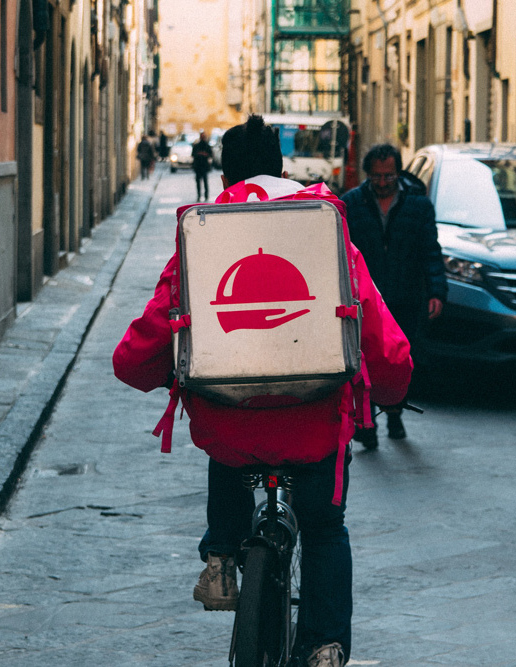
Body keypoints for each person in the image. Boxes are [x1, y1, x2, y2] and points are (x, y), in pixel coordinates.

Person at [112, 116, 412, 667]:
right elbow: (376, 329)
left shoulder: (203, 237)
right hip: (315, 424)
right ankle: (324, 644)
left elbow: (149, 339)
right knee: (324, 527)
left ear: (225, 175)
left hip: (232, 429)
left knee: (226, 433)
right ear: (283, 170)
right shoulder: (325, 229)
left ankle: (221, 558)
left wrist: (150, 371)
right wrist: (391, 387)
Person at [341, 144, 447, 444]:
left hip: (406, 296)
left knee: (399, 362)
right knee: (365, 362)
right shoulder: (351, 204)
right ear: (368, 174)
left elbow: (430, 251)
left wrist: (436, 291)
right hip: (366, 300)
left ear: (398, 173)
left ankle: (395, 414)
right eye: (376, 176)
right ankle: (368, 425)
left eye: (388, 176)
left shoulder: (419, 206)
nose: (383, 182)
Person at [191, 130, 213, 201]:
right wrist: (200, 154)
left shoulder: (207, 146)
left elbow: (211, 154)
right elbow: (193, 154)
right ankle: (199, 195)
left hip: (204, 166)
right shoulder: (197, 146)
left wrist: (204, 154)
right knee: (199, 182)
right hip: (198, 166)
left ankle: (206, 195)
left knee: (205, 181)